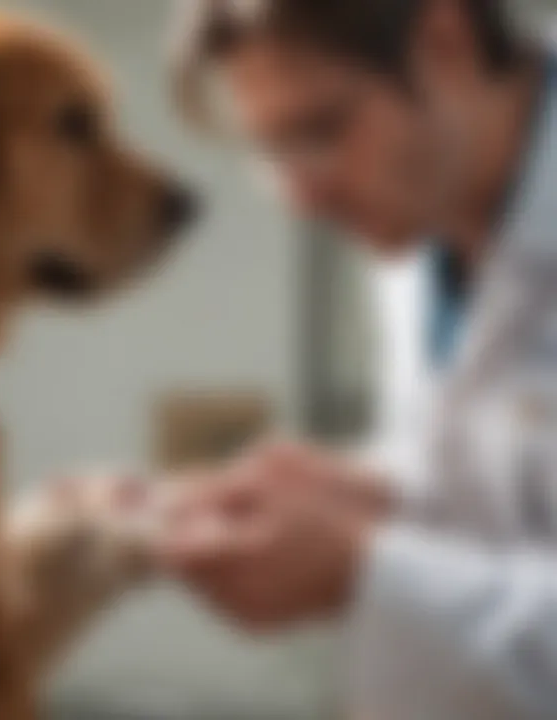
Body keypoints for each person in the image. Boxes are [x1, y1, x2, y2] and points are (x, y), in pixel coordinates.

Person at [157, 1, 557, 718]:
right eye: (271, 150)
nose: (300, 196)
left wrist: (362, 565)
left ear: (445, 41)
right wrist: (374, 497)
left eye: (322, 130)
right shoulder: (421, 220)